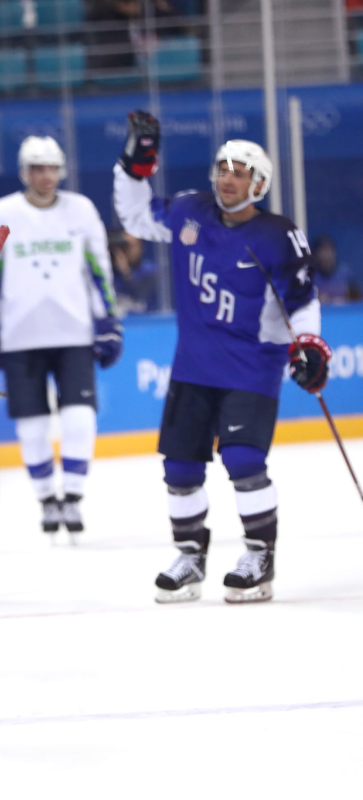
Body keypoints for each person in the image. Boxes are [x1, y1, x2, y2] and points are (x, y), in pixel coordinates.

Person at [114, 112, 327, 603]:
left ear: (260, 182)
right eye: (223, 169)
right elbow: (136, 217)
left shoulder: (278, 233)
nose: (228, 179)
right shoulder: (191, 211)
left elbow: (302, 300)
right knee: (180, 469)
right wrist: (136, 162)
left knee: (245, 460)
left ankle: (259, 555)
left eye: (240, 172)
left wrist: (309, 345)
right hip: (193, 367)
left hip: (252, 366)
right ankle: (190, 555)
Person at [0, 135, 123, 541]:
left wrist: (108, 319)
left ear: (61, 170)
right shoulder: (3, 212)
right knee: (32, 425)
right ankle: (46, 498)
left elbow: (100, 268)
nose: (45, 176)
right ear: (24, 172)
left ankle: (72, 494)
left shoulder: (81, 210)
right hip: (20, 334)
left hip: (73, 330)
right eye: (37, 168)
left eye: (52, 168)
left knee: (80, 417)